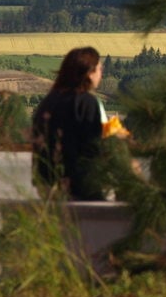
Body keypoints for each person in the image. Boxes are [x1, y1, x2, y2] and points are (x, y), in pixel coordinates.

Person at [32, 47, 113, 200]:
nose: (101, 74)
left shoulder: (48, 102)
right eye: (99, 69)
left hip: (46, 186)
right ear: (89, 72)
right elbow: (93, 148)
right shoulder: (87, 103)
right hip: (78, 187)